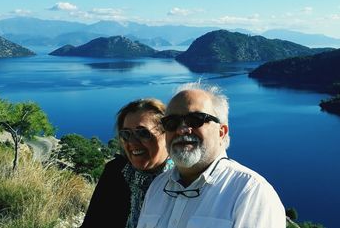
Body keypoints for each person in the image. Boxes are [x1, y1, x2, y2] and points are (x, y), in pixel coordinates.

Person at [136, 82, 285, 228]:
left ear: (222, 132)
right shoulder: (157, 187)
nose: (181, 130)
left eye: (195, 120)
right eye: (171, 122)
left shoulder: (250, 193)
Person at [81, 98, 173, 228]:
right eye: (126, 134)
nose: (132, 142)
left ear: (168, 135)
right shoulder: (115, 172)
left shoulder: (184, 179)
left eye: (143, 133)